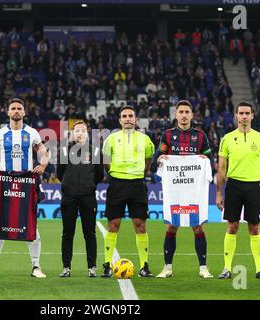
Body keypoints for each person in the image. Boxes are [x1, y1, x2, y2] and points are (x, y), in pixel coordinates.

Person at [0, 98, 50, 279]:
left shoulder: (32, 132)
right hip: (4, 180)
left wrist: (42, 165)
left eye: (19, 108)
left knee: (31, 224)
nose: (16, 111)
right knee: (0, 223)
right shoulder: (0, 134)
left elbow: (43, 152)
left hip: (27, 181)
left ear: (24, 112)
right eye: (13, 108)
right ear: (8, 112)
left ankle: (36, 266)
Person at [153, 100, 214, 279]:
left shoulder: (201, 136)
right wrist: (161, 158)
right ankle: (167, 268)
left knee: (197, 226)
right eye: (181, 112)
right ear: (176, 115)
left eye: (187, 111)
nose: (184, 115)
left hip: (194, 189)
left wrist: (205, 158)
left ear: (192, 115)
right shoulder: (168, 135)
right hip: (175, 189)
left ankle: (203, 268)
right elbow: (158, 156)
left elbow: (210, 157)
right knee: (172, 226)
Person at [216, 101, 260, 280]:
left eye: (247, 113)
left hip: (254, 186)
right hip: (233, 185)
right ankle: (226, 268)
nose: (244, 116)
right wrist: (219, 192)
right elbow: (221, 168)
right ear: (235, 115)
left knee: (254, 228)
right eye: (240, 113)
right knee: (232, 226)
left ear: (252, 115)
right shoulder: (226, 139)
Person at [101, 105, 155, 277]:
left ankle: (144, 266)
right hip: (117, 184)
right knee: (113, 224)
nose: (128, 119)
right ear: (120, 120)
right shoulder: (111, 138)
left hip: (137, 185)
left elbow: (148, 161)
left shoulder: (145, 139)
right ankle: (107, 264)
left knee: (139, 225)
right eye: (124, 116)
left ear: (136, 119)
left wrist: (138, 173)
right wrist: (117, 174)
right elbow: (106, 162)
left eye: (131, 116)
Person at [57, 120, 104, 278]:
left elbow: (99, 175)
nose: (79, 133)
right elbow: (59, 173)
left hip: (88, 197)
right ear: (72, 133)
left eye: (83, 131)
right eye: (76, 130)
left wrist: (88, 186)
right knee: (67, 233)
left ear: (87, 134)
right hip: (68, 197)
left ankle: (92, 267)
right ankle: (66, 268)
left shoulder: (95, 152)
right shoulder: (64, 151)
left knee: (89, 233)